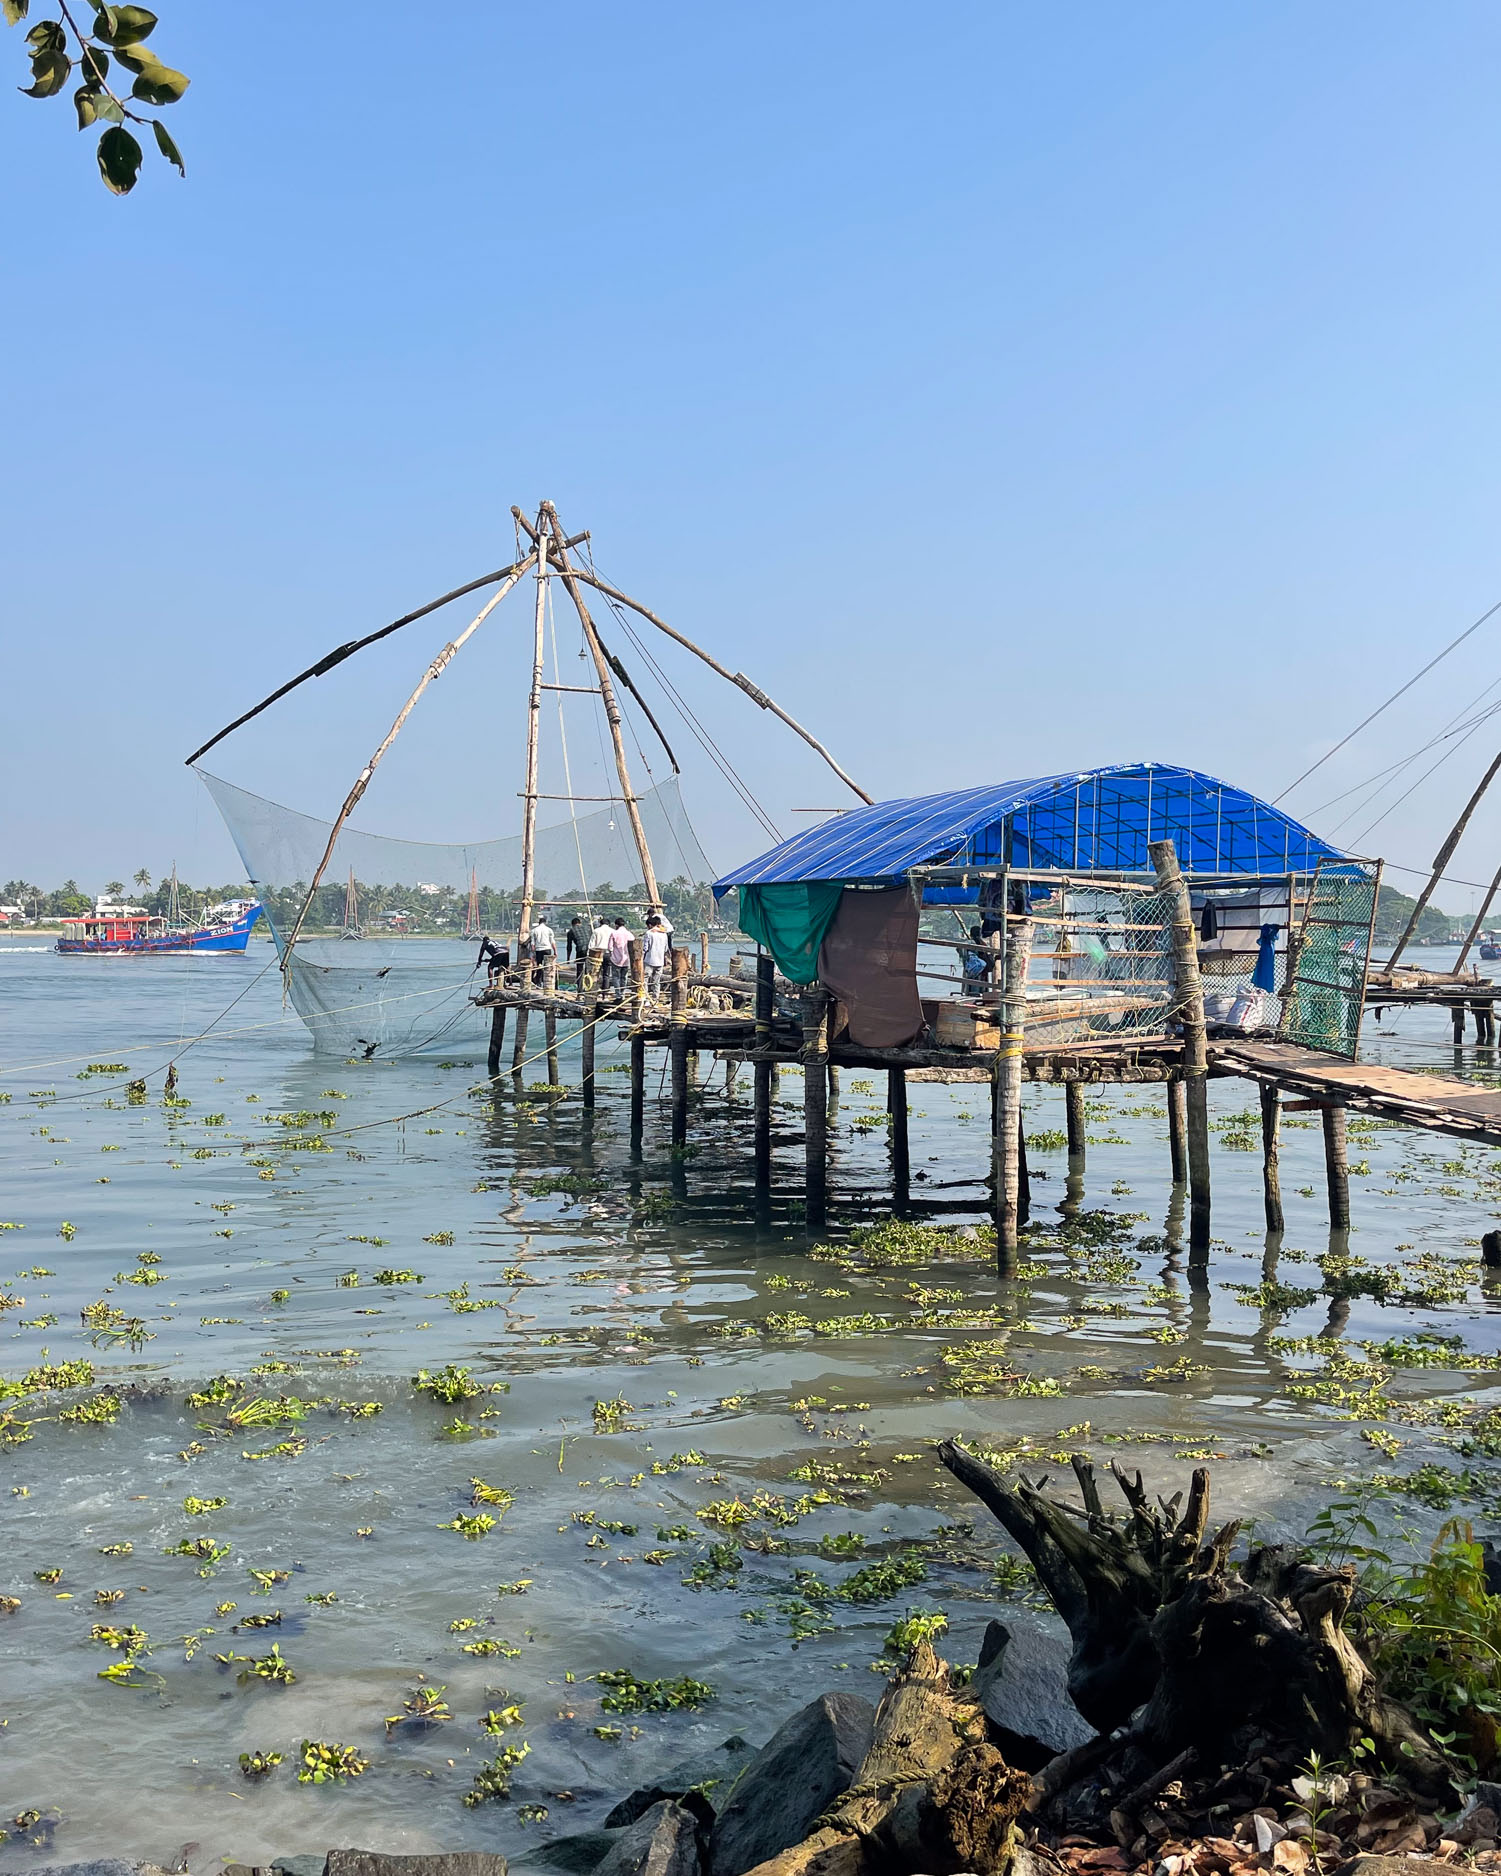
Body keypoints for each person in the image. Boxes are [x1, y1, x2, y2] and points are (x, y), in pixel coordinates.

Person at [605, 916, 633, 999]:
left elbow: (610, 947)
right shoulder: (629, 934)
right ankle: (623, 993)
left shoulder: (614, 933)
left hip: (616, 959)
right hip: (626, 959)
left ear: (616, 925)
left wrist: (611, 954)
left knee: (616, 977)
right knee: (624, 977)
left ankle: (618, 994)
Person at [642, 914, 669, 1001]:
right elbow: (666, 948)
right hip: (660, 961)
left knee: (645, 980)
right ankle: (655, 998)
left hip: (649, 960)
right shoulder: (664, 934)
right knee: (656, 981)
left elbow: (645, 948)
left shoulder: (649, 933)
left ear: (649, 925)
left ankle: (645, 997)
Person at [585, 912, 612, 994]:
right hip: (608, 953)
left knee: (595, 973)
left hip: (597, 955)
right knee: (606, 974)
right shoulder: (612, 931)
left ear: (600, 923)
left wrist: (588, 955)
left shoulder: (596, 931)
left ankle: (593, 991)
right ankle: (605, 994)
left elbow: (591, 945)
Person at [529, 913, 556, 978]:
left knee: (539, 965)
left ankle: (538, 980)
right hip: (547, 949)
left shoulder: (534, 930)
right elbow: (552, 942)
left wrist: (533, 953)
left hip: (538, 950)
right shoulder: (549, 930)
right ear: (545, 922)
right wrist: (555, 951)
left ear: (539, 922)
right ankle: (547, 980)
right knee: (548, 966)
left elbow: (532, 943)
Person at [566, 914, 589, 988]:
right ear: (580, 923)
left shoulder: (571, 931)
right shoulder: (586, 928)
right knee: (587, 969)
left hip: (580, 949)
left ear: (572, 924)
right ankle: (588, 987)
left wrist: (568, 959)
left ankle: (580, 989)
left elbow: (569, 946)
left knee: (579, 969)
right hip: (590, 949)